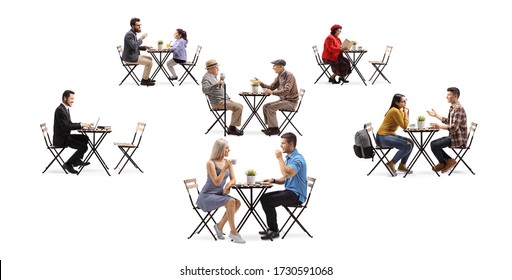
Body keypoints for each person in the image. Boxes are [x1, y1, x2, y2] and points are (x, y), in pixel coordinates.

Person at [196, 139, 245, 244]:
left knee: (237, 203)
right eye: (227, 148)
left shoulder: (227, 162)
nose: (229, 150)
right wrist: (224, 169)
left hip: (218, 194)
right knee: (231, 201)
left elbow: (233, 179)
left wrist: (228, 185)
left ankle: (219, 226)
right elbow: (217, 182)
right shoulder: (210, 163)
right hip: (206, 196)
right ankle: (234, 232)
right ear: (220, 149)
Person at [259, 132, 307, 240]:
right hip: (290, 192)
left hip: (297, 195)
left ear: (291, 144)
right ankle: (271, 228)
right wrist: (273, 180)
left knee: (268, 201)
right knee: (263, 197)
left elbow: (286, 173)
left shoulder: (298, 159)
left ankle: (274, 231)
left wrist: (279, 158)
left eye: (283, 143)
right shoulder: (290, 158)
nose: (281, 146)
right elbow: (286, 178)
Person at [251, 59, 299, 136]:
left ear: (280, 66)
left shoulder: (289, 75)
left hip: (291, 102)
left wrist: (272, 92)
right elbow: (271, 87)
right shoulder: (279, 76)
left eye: (275, 66)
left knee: (270, 107)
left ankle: (275, 129)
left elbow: (286, 91)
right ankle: (270, 127)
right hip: (284, 100)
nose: (273, 67)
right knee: (265, 106)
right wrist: (260, 83)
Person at [427, 87, 468, 173]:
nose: (447, 96)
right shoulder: (453, 108)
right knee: (433, 144)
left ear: (455, 96)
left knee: (434, 145)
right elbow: (448, 121)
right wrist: (436, 115)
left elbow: (454, 127)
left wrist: (439, 126)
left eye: (449, 95)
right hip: (452, 136)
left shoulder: (459, 108)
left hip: (458, 138)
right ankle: (445, 162)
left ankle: (447, 161)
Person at [53, 90, 91, 174]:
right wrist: (80, 125)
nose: (73, 101)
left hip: (65, 136)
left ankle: (77, 160)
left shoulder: (65, 109)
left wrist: (81, 124)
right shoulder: (60, 110)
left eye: (73, 98)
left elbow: (69, 124)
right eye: (71, 98)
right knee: (84, 147)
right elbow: (66, 127)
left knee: (85, 138)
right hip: (61, 139)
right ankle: (68, 164)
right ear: (65, 98)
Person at [202, 59, 244, 136]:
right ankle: (232, 128)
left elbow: (218, 89)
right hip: (217, 103)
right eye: (216, 67)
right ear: (211, 69)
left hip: (224, 100)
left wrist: (221, 82)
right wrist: (217, 84)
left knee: (240, 106)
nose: (218, 69)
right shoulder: (206, 78)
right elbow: (205, 90)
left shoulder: (214, 77)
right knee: (238, 107)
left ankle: (232, 127)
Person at [375, 94, 414, 175]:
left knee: (411, 142)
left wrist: (405, 112)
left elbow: (403, 122)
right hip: (382, 137)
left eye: (405, 101)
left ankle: (402, 166)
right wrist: (406, 113)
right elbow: (404, 126)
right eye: (403, 101)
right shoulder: (394, 111)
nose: (405, 103)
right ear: (397, 103)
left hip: (389, 135)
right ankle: (391, 163)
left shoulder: (399, 110)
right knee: (407, 145)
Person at [122, 17, 155, 86]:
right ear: (133, 26)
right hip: (130, 58)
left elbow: (134, 46)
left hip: (133, 55)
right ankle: (144, 80)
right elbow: (134, 46)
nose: (140, 27)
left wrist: (145, 47)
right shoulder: (129, 35)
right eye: (138, 25)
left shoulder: (133, 33)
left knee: (150, 59)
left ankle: (146, 77)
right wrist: (141, 38)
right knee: (149, 62)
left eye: (140, 25)